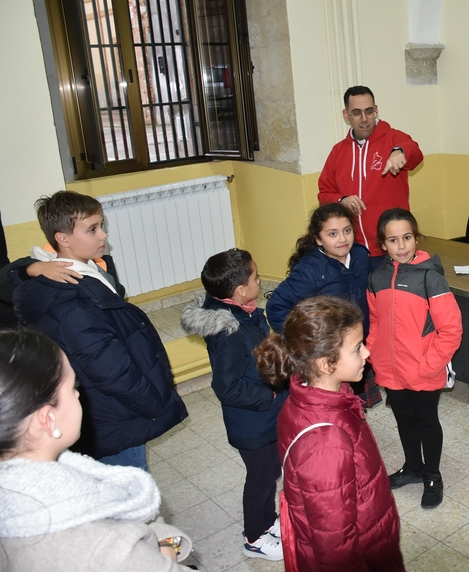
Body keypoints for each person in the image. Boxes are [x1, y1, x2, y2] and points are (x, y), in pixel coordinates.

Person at [9, 191, 187, 469]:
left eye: (101, 225)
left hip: (111, 410)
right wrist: (156, 405)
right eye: (92, 229)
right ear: (62, 238)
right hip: (116, 418)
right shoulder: (71, 303)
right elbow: (110, 370)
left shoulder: (88, 271)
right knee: (127, 486)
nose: (103, 235)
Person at [0, 329, 195, 571]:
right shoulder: (107, 547)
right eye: (73, 387)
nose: (79, 395)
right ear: (48, 420)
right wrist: (167, 548)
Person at [255, 296, 405, 571]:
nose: (367, 353)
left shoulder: (311, 397)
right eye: (357, 348)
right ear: (326, 364)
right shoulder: (325, 444)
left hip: (370, 534)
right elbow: (335, 546)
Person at [180, 249, 286, 561]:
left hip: (266, 416)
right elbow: (227, 387)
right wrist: (268, 396)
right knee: (260, 478)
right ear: (240, 290)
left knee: (271, 470)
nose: (259, 281)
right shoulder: (229, 331)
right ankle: (254, 538)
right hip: (251, 421)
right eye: (255, 277)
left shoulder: (247, 312)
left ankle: (267, 521)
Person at [366, 208, 462, 509]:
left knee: (426, 420)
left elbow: (451, 330)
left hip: (424, 369)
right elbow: (376, 322)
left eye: (407, 237)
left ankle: (432, 474)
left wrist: (429, 365)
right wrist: (374, 353)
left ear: (416, 238)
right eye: (393, 240)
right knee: (404, 419)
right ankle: (413, 467)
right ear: (383, 244)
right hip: (389, 369)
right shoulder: (377, 278)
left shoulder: (431, 278)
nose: (401, 246)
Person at [265, 204, 380, 407]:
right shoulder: (310, 270)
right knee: (332, 405)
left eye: (347, 231)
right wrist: (308, 342)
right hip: (328, 355)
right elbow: (276, 306)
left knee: (355, 404)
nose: (342, 239)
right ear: (318, 239)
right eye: (332, 234)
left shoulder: (361, 255)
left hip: (354, 347)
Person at [317, 85, 424, 267]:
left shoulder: (393, 138)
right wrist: (341, 200)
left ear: (376, 110)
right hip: (353, 249)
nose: (364, 118)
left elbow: (414, 152)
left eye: (369, 111)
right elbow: (324, 194)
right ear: (346, 115)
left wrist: (400, 151)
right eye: (356, 113)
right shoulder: (338, 151)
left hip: (391, 248)